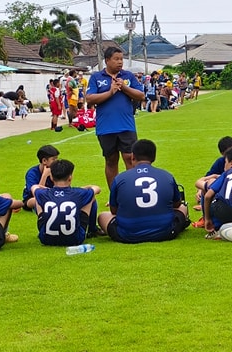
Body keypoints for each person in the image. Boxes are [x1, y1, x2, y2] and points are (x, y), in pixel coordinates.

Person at [98, 139, 189, 243]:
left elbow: (114, 211)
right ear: (154, 157)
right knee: (183, 207)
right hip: (165, 232)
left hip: (127, 234)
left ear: (132, 156)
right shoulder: (167, 176)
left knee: (102, 216)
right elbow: (176, 204)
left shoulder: (120, 178)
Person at [84, 46, 145, 191]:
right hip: (106, 127)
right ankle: (114, 195)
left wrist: (123, 87)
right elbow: (90, 99)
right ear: (107, 61)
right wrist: (110, 92)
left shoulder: (128, 76)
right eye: (116, 59)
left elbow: (141, 95)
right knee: (111, 161)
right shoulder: (96, 77)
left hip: (126, 126)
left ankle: (132, 193)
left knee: (130, 159)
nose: (120, 62)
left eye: (121, 59)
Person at [32, 159, 101, 246]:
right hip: (75, 240)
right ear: (70, 177)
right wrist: (83, 188)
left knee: (38, 198)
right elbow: (97, 189)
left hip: (46, 239)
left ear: (51, 177)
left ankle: (45, 229)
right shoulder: (78, 193)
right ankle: (92, 229)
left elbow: (34, 187)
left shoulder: (45, 193)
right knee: (91, 197)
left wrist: (49, 189)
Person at [22, 145, 59, 211]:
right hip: (32, 198)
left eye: (57, 158)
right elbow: (36, 193)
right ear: (44, 161)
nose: (56, 161)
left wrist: (53, 179)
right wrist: (44, 176)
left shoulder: (56, 170)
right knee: (35, 200)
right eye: (53, 159)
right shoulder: (32, 173)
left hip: (51, 196)